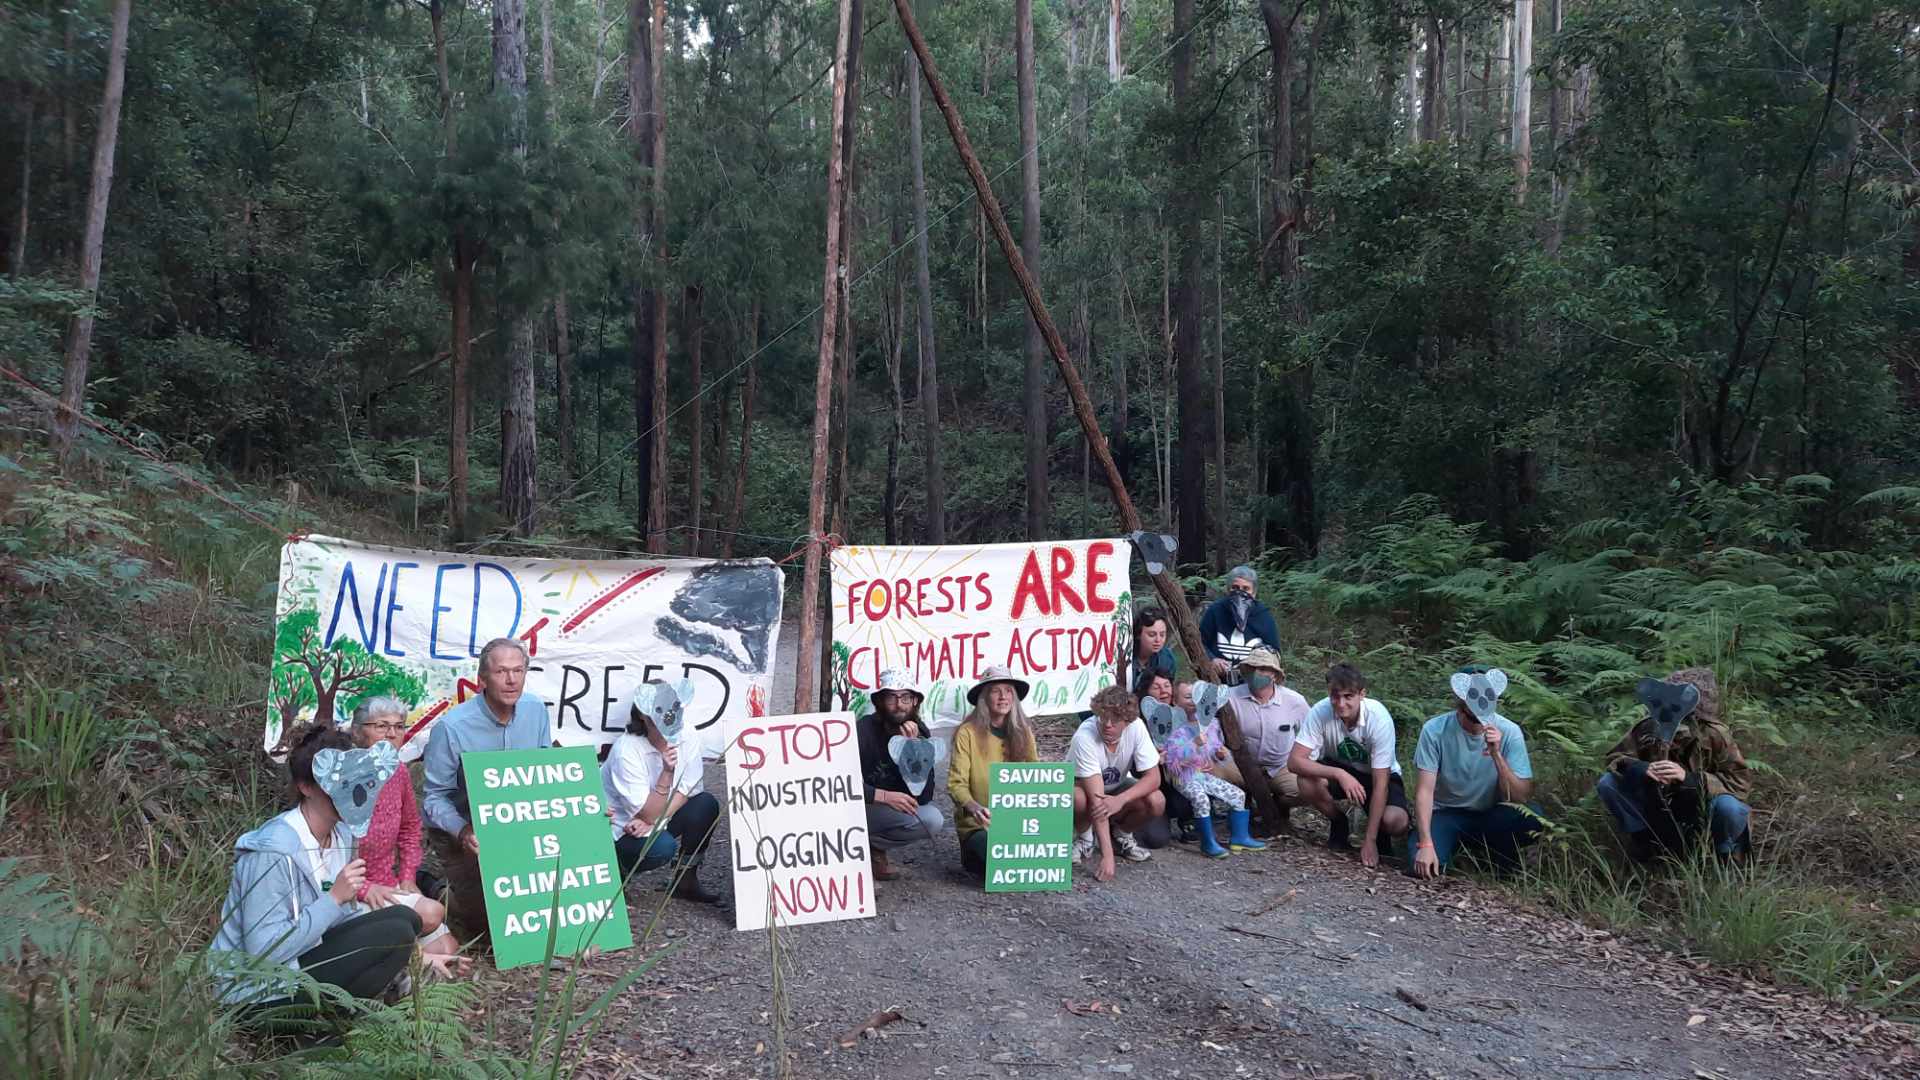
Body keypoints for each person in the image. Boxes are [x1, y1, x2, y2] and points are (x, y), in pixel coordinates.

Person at [209, 725, 423, 1017]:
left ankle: (336, 1023)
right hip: (256, 992)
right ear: (306, 787)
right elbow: (262, 951)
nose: (349, 791)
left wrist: (417, 957)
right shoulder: (273, 851)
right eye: (336, 782)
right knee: (395, 929)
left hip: (302, 964)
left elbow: (344, 921)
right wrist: (332, 900)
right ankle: (310, 1026)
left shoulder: (344, 835)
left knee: (405, 920)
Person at [420, 638, 554, 941]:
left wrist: (584, 809)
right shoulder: (452, 727)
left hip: (517, 823)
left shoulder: (536, 711)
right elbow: (433, 798)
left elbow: (547, 773)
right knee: (489, 927)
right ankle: (433, 887)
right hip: (464, 827)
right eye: (501, 672)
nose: (511, 680)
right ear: (482, 679)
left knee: (533, 916)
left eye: (518, 671)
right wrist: (463, 831)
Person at [348, 698, 464, 974]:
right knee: (433, 913)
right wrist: (364, 888)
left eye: (399, 727)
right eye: (381, 726)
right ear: (358, 732)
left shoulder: (399, 772)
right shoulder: (344, 777)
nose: (391, 734)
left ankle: (403, 954)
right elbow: (328, 850)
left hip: (389, 882)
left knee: (448, 951)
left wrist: (408, 876)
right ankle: (391, 958)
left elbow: (410, 828)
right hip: (351, 891)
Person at [1596, 667, 1753, 862]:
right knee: (1608, 783)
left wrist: (1690, 779)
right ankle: (1646, 844)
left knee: (1729, 807)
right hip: (1657, 803)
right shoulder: (1648, 727)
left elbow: (1739, 783)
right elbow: (1615, 758)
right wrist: (1640, 768)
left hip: (1699, 806)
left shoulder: (1714, 734)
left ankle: (1725, 855)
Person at [1409, 667, 1543, 879]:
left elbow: (1520, 797)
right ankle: (1446, 848)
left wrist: (1497, 755)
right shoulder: (1434, 730)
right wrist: (1426, 843)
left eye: (1483, 718)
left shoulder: (1509, 732)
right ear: (1460, 709)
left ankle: (1501, 859)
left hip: (1490, 813)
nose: (1478, 725)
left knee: (1531, 818)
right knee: (1423, 868)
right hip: (1446, 813)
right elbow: (1425, 791)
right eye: (1473, 719)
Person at [600, 680, 725, 903]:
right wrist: (667, 773)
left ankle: (685, 881)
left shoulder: (686, 732)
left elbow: (689, 787)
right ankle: (617, 872)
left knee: (705, 805)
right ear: (642, 717)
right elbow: (644, 813)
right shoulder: (626, 750)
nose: (668, 722)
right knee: (661, 848)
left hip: (656, 816)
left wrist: (655, 821)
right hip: (625, 826)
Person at [1290, 663, 1411, 869]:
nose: (1341, 703)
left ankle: (1378, 836)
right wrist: (1339, 774)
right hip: (1339, 767)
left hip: (1377, 774)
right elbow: (1294, 761)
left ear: (1361, 694)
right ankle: (1338, 822)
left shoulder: (1378, 718)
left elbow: (1381, 784)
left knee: (1395, 821)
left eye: (1348, 696)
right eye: (1335, 696)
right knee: (1306, 781)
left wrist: (1369, 840)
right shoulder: (1321, 711)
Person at [949, 666, 1041, 880]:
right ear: (984, 697)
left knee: (1041, 860)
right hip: (980, 825)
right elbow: (956, 784)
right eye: (995, 691)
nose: (1003, 697)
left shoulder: (1024, 731)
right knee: (1001, 861)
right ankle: (972, 855)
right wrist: (974, 807)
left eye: (1008, 691)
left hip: (1016, 821)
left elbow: (1036, 775)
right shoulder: (967, 733)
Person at [1068, 685, 1168, 882]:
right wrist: (1107, 857)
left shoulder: (1137, 727)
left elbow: (1154, 778)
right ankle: (1085, 837)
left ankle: (1120, 835)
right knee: (1078, 798)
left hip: (1117, 788)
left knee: (1156, 800)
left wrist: (1121, 800)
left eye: (1115, 720)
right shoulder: (1084, 737)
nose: (1107, 725)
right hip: (1084, 788)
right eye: (1103, 717)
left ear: (1127, 721)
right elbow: (1098, 800)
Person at [856, 669, 946, 881]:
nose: (899, 705)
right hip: (860, 806)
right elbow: (840, 781)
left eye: (906, 697)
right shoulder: (864, 729)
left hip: (888, 811)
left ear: (915, 701)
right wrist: (883, 796)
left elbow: (923, 797)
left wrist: (914, 749)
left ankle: (873, 847)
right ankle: (853, 856)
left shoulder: (920, 732)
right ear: (880, 701)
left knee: (932, 819)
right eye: (891, 697)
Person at [1153, 696, 1266, 859]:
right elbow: (1172, 762)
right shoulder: (1172, 726)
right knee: (1201, 799)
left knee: (1237, 795)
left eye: (1194, 697)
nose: (1192, 701)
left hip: (1201, 774)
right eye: (1186, 697)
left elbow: (1213, 749)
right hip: (1183, 778)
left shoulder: (1209, 724)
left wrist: (1219, 754)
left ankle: (1240, 838)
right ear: (1176, 702)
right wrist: (1194, 744)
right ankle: (1208, 843)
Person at [1212, 648, 1308, 829]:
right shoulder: (1230, 697)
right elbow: (1212, 727)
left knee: (1308, 790)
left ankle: (1279, 806)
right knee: (1209, 769)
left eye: (1263, 669)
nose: (1257, 673)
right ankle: (1238, 806)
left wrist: (1304, 759)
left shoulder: (1294, 701)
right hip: (1241, 765)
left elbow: (1310, 734)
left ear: (1274, 674)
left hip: (1280, 766)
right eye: (1252, 668)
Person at [1196, 566, 1281, 683]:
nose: (1240, 592)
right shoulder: (1215, 611)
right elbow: (1199, 642)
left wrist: (1258, 668)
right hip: (1217, 680)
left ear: (1254, 592)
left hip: (1251, 683)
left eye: (1246, 589)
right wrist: (1212, 660)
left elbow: (1274, 651)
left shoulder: (1263, 616)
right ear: (1228, 589)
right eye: (1235, 587)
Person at [1118, 607, 1178, 697]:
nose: (1158, 640)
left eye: (1162, 635)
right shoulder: (1123, 655)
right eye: (1152, 635)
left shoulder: (1167, 659)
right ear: (1138, 634)